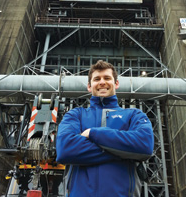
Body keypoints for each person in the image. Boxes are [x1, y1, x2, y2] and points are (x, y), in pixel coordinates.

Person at [56, 60, 154, 196]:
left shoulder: (134, 115)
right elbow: (65, 150)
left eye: (107, 78)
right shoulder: (76, 115)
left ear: (116, 83)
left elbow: (144, 145)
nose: (102, 82)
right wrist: (124, 152)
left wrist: (93, 133)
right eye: (97, 79)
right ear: (89, 87)